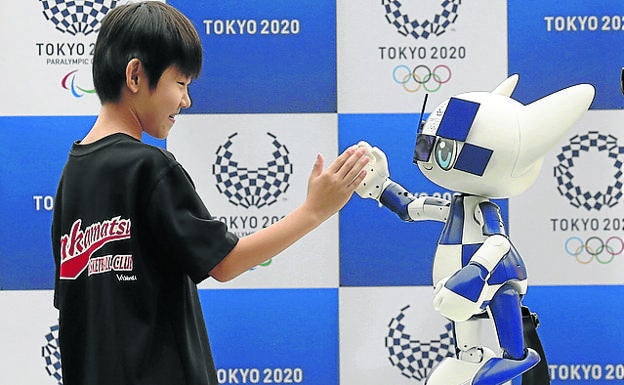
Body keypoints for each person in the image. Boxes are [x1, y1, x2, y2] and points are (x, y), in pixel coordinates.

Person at [51, 2, 368, 385]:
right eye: (181, 84)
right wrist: (315, 210)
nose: (186, 100)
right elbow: (225, 262)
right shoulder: (149, 167)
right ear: (135, 75)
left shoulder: (74, 171)